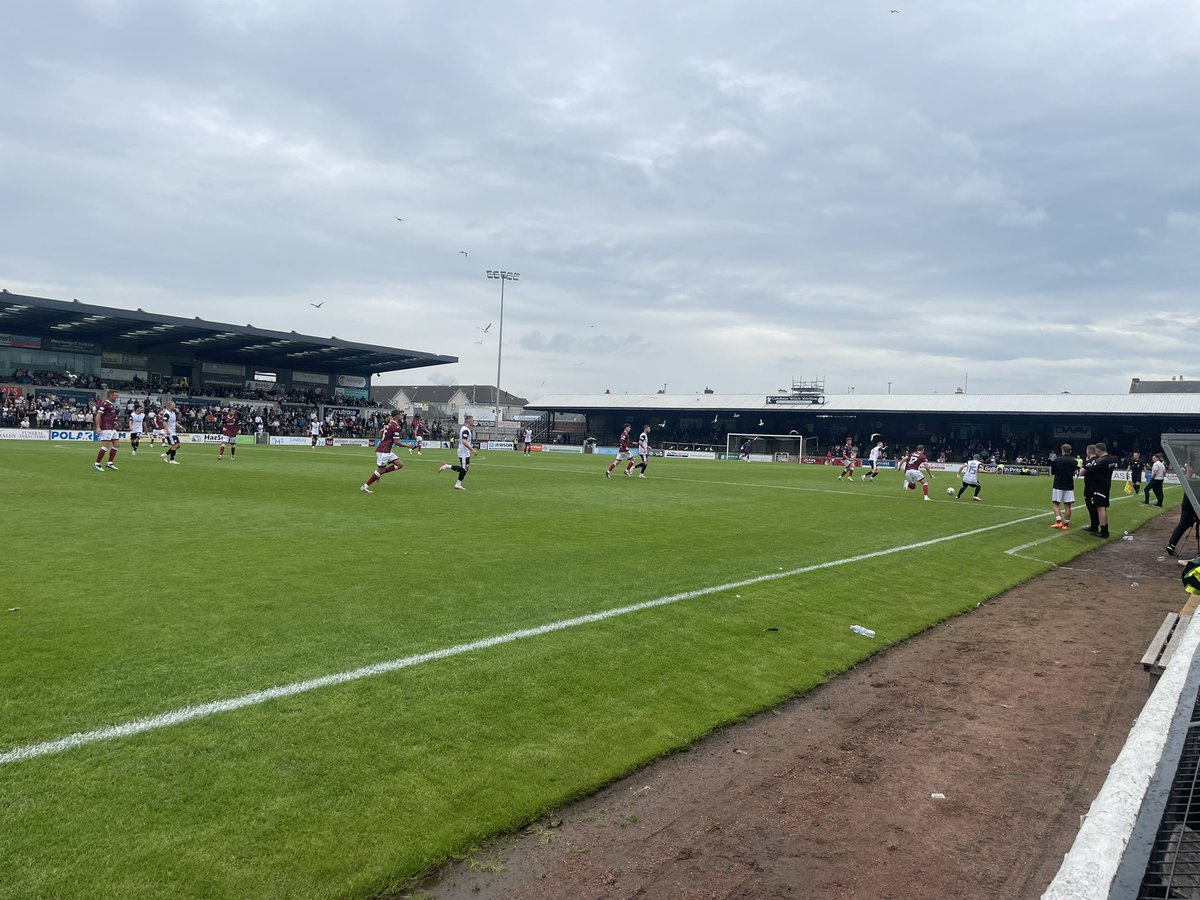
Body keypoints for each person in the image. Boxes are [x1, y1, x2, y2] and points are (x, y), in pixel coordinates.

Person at [361, 410, 405, 493]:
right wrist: (408, 446)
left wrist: (382, 440)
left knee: (400, 464)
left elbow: (381, 431)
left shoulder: (389, 424)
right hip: (383, 452)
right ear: (396, 416)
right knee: (380, 470)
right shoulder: (396, 426)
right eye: (400, 415)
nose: (401, 416)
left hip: (386, 450)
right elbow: (397, 442)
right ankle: (365, 486)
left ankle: (381, 473)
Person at [1085, 442, 1120, 538]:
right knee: (1103, 507)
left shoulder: (1100, 461)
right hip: (1106, 484)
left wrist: (1089, 466)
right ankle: (1104, 529)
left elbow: (1087, 472)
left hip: (1098, 485)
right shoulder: (1112, 459)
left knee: (1101, 508)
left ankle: (1104, 531)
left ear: (1098, 450)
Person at [438, 414, 476, 490]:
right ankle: (447, 467)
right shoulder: (465, 430)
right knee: (464, 469)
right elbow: (464, 441)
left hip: (465, 452)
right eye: (472, 420)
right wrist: (472, 449)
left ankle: (458, 484)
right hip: (463, 452)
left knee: (465, 469)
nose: (473, 422)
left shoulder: (464, 428)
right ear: (468, 421)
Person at [1049, 443, 1078, 530]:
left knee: (1055, 503)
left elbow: (1053, 472)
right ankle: (1066, 524)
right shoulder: (1074, 461)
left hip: (1058, 484)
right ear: (1070, 451)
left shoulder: (1057, 460)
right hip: (1069, 484)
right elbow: (1074, 472)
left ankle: (1058, 522)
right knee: (1068, 505)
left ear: (1062, 450)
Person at [92, 389, 121, 472]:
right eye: (116, 395)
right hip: (106, 428)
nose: (117, 397)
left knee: (117, 444)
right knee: (106, 446)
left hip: (112, 427)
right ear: (111, 395)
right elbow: (98, 415)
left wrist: (114, 422)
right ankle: (97, 464)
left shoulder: (111, 405)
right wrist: (98, 427)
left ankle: (110, 463)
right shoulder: (105, 404)